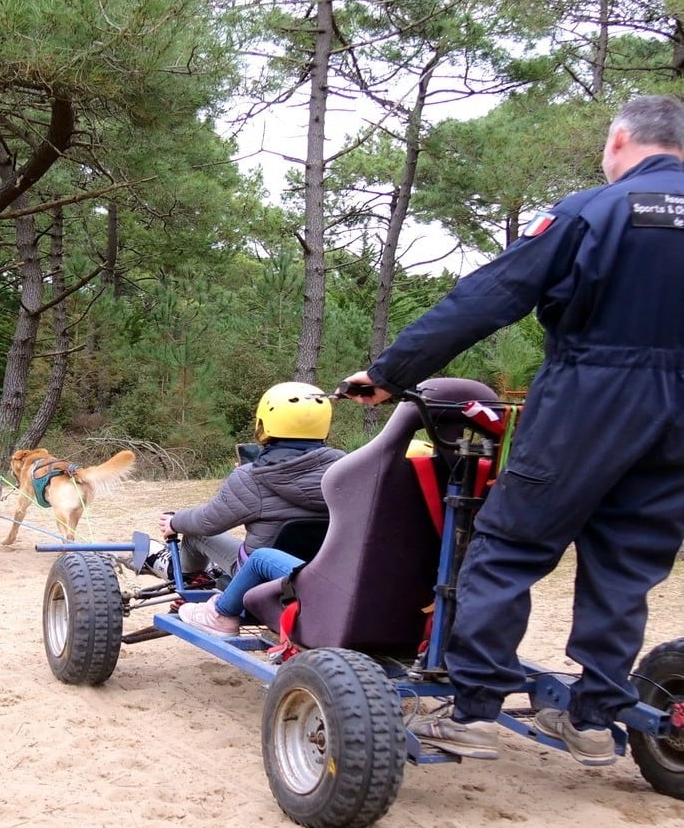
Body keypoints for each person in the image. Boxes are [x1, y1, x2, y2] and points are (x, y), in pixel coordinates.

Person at [341, 94, 684, 765]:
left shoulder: (592, 210)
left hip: (592, 392)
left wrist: (389, 371)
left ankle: (473, 706)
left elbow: (486, 298)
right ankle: (591, 718)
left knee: (508, 543)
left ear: (619, 141)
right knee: (627, 561)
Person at [141, 381, 344, 624]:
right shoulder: (347, 470)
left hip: (260, 578)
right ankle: (204, 575)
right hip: (326, 573)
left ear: (263, 425)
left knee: (194, 534)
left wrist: (175, 521)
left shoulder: (249, 477)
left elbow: (208, 521)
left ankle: (186, 578)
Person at [176, 546, 303, 636]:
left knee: (259, 557)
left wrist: (174, 522)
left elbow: (212, 517)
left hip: (313, 584)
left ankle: (221, 613)